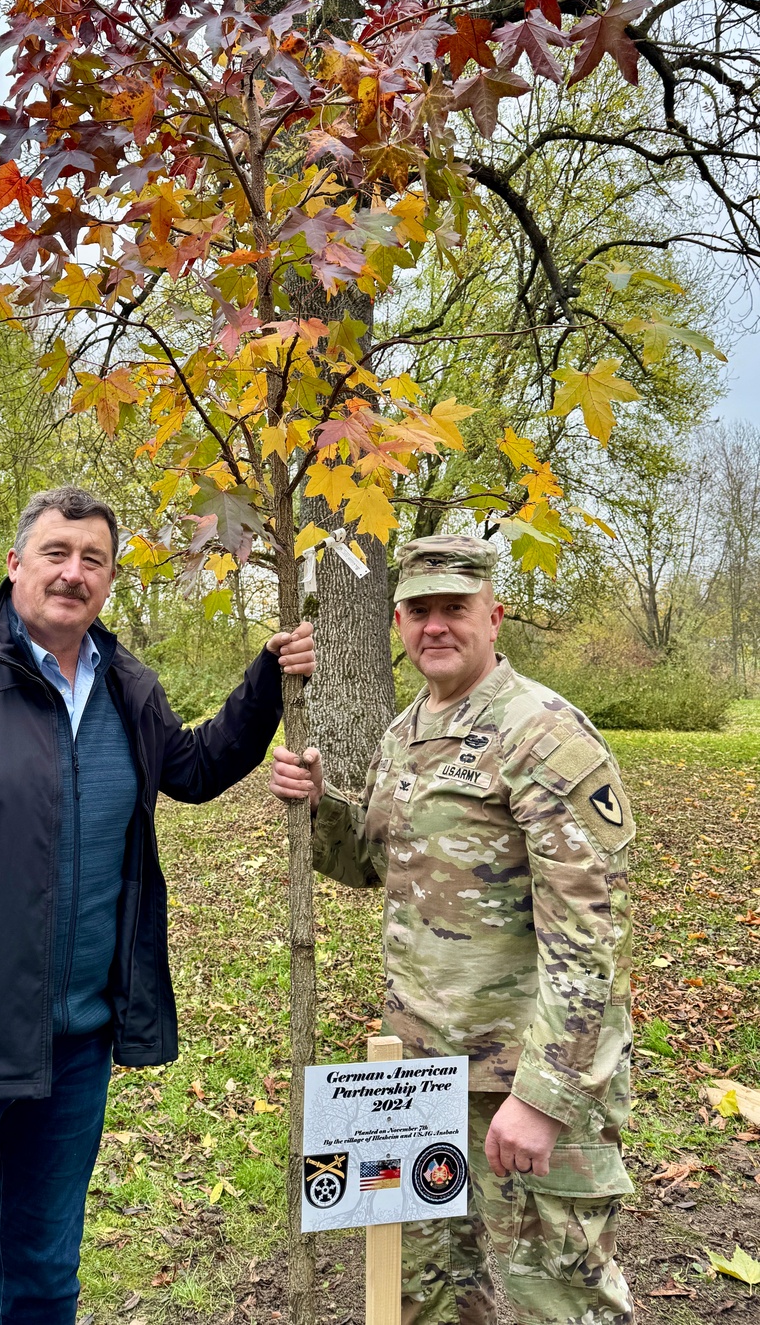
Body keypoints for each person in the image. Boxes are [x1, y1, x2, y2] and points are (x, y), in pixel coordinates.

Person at [0, 485, 314, 1325]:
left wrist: (267, 680)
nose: (73, 572)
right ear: (15, 564)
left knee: (46, 1284)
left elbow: (191, 769)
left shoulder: (126, 685)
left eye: (93, 559)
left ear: (111, 580)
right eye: (56, 552)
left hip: (73, 1057)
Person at [270, 534, 635, 1325]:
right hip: (419, 1078)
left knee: (560, 1296)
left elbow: (590, 936)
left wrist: (545, 1097)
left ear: (493, 616)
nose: (436, 625)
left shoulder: (542, 733)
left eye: (455, 609)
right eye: (420, 610)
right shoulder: (406, 731)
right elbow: (372, 865)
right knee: (426, 1291)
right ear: (398, 622)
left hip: (519, 1078)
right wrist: (320, 804)